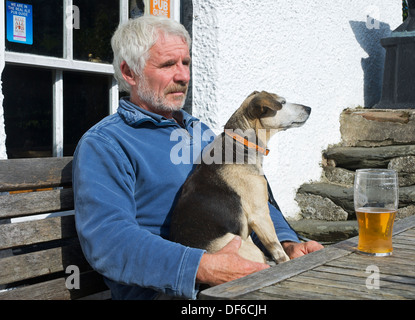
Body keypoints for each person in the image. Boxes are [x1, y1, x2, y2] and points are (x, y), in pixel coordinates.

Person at [73, 15, 323, 300]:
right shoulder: (107, 144)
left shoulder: (201, 133)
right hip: (172, 294)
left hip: (237, 282)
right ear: (129, 73)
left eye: (186, 63)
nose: (183, 76)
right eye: (168, 64)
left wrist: (288, 243)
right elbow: (108, 241)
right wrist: (202, 267)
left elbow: (255, 200)